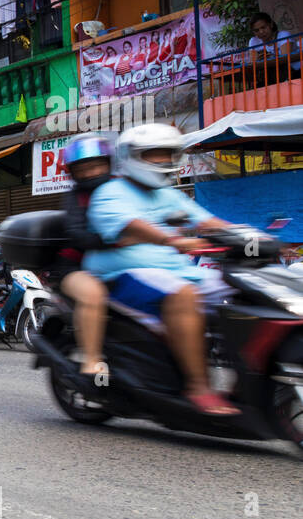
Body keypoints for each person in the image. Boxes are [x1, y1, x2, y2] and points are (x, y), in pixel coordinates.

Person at [85, 123, 236, 415]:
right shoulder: (109, 193)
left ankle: (245, 386)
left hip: (179, 271)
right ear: (131, 157)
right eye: (154, 155)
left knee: (243, 292)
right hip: (123, 276)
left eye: (168, 154)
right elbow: (132, 225)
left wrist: (252, 237)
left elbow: (207, 222)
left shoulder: (169, 194)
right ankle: (198, 387)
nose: (163, 162)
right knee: (184, 295)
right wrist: (173, 239)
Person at [50, 134, 114, 376]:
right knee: (92, 295)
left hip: (119, 261)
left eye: (97, 165)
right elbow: (76, 232)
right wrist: (114, 239)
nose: (91, 173)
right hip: (75, 265)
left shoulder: (121, 188)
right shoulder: (74, 197)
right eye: (84, 169)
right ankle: (92, 361)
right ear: (73, 172)